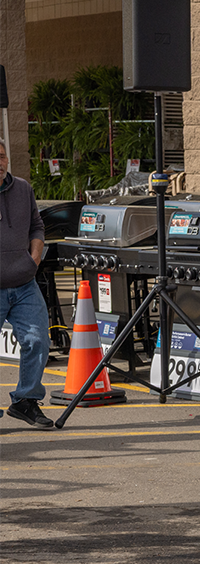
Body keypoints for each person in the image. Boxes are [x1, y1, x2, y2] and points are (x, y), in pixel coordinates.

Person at [0, 143, 54, 429]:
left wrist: (34, 258)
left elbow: (36, 225)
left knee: (38, 341)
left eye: (1, 156)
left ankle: (25, 401)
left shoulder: (22, 188)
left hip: (24, 283)